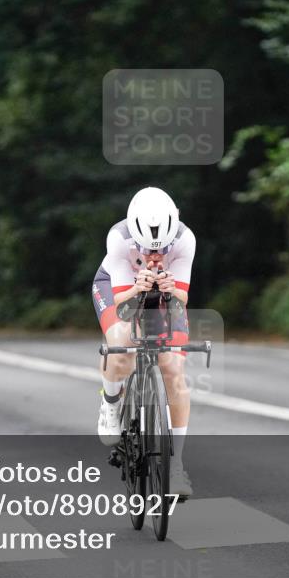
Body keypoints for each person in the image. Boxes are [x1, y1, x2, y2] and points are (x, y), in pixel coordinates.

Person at [91, 187, 195, 497]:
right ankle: (111, 403)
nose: (154, 257)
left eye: (161, 250)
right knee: (122, 342)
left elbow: (181, 300)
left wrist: (170, 288)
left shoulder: (185, 239)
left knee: (174, 367)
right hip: (117, 288)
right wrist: (138, 288)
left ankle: (176, 466)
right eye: (147, 250)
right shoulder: (118, 239)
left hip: (164, 294)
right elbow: (124, 307)